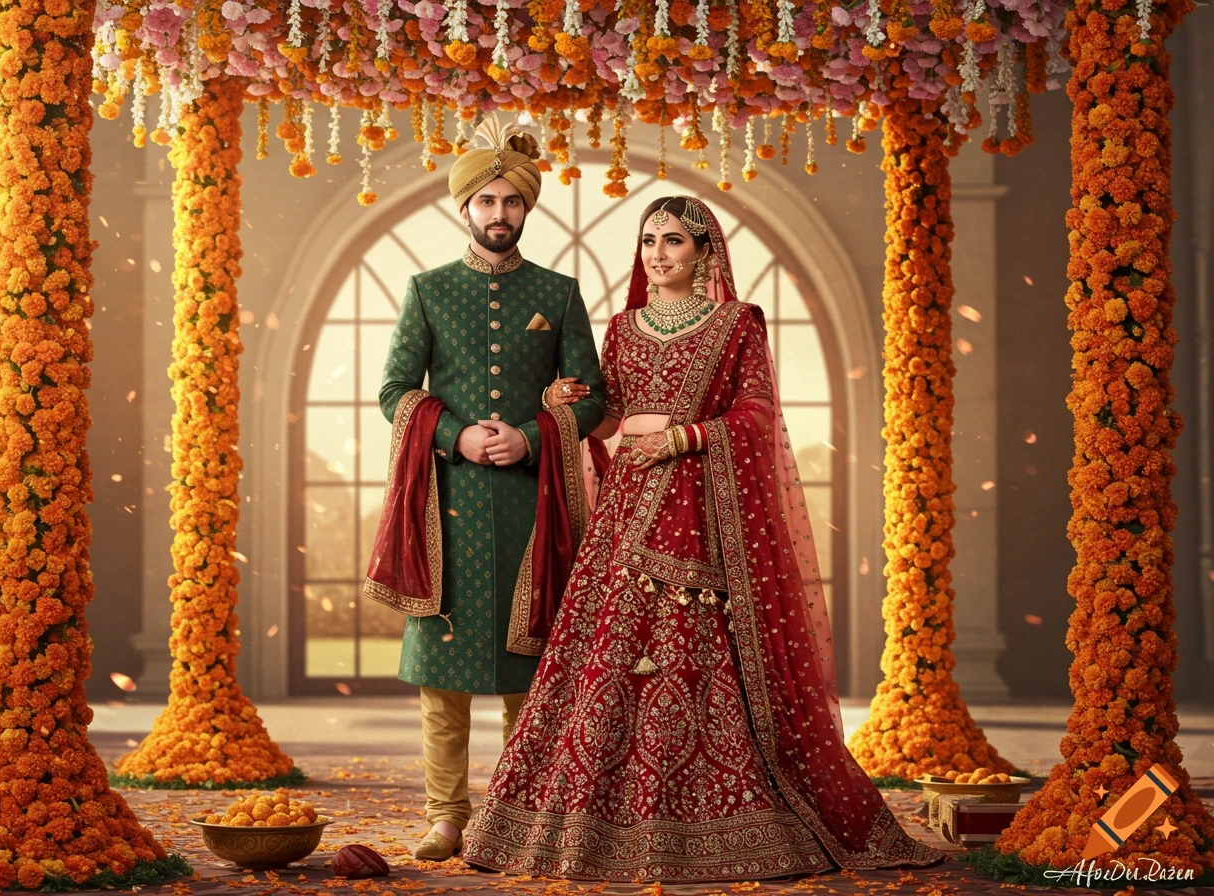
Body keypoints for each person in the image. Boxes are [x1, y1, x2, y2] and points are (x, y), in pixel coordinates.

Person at [460, 196, 945, 881]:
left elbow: (756, 413)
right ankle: (581, 827)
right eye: (649, 241)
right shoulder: (624, 328)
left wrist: (685, 438)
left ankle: (717, 818)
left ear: (703, 252)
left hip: (695, 511)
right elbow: (615, 420)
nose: (657, 254)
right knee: (605, 660)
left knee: (693, 656)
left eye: (674, 242)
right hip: (627, 514)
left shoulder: (736, 324)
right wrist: (567, 407)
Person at [365, 117, 606, 862]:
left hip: (533, 506)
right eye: (486, 202)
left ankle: (516, 816)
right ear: (463, 209)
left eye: (511, 202)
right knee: (444, 676)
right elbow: (395, 390)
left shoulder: (558, 291)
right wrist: (457, 435)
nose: (499, 214)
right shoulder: (429, 290)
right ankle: (446, 817)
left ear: (526, 209)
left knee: (526, 674)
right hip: (447, 505)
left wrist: (532, 436)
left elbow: (592, 397)